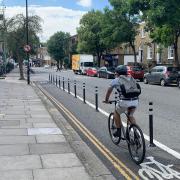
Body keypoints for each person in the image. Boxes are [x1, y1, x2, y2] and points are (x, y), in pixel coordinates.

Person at [103, 65, 139, 137]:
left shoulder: (116, 80)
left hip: (124, 102)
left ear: (117, 73)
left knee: (116, 112)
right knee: (130, 115)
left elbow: (109, 91)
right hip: (135, 101)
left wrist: (106, 100)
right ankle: (136, 132)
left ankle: (118, 131)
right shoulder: (131, 78)